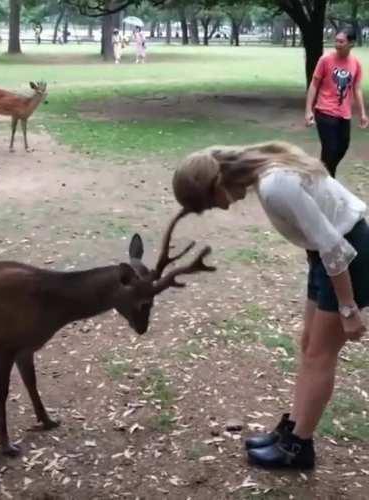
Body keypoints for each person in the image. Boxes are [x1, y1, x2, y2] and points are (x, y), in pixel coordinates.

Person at [172, 141, 368, 470]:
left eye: (209, 202)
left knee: (321, 355)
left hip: (348, 255)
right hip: (326, 256)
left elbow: (335, 246)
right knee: (308, 345)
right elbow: (323, 243)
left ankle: (299, 447)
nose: (217, 209)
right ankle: (292, 428)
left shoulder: (276, 185)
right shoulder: (264, 177)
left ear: (217, 183)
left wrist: (348, 308)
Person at [305, 27, 368, 178]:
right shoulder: (325, 60)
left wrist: (363, 114)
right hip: (325, 111)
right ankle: (327, 180)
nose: (337, 44)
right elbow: (314, 85)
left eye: (341, 41)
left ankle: (320, 173)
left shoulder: (356, 64)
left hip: (344, 114)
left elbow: (357, 89)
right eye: (336, 41)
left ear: (351, 43)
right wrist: (308, 110)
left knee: (343, 147)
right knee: (330, 149)